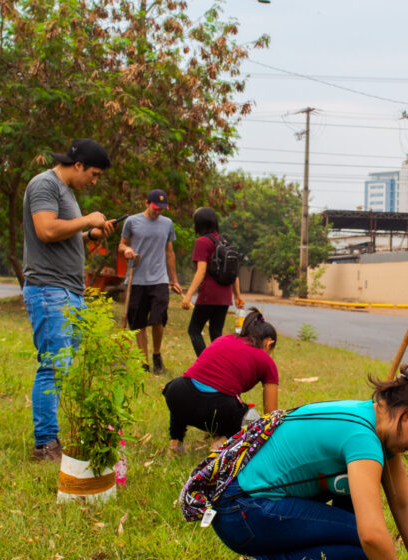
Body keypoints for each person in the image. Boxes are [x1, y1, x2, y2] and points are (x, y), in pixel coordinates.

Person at [209, 360, 408, 560]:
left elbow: (403, 504)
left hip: (240, 507)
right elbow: (372, 537)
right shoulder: (362, 439)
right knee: (364, 548)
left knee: (361, 531)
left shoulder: (373, 419)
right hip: (245, 511)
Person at [21, 138, 115, 462]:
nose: (94, 181)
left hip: (68, 290)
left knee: (62, 366)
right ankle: (45, 445)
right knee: (53, 365)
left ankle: (51, 440)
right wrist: (87, 220)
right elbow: (46, 230)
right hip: (49, 289)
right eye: (94, 174)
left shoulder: (66, 193)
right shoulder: (44, 185)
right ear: (78, 165)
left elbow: (63, 233)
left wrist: (90, 234)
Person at [162, 308, 279, 453]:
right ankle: (223, 442)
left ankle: (176, 441)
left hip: (177, 393)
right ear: (268, 343)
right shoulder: (266, 360)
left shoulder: (225, 339)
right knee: (251, 418)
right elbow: (271, 415)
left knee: (188, 391)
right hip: (216, 408)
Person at [118, 188, 181, 374]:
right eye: (155, 207)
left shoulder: (167, 224)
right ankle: (143, 362)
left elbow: (169, 252)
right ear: (146, 203)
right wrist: (126, 250)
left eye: (161, 208)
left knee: (157, 319)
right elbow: (122, 244)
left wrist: (174, 279)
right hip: (136, 278)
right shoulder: (132, 222)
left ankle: (156, 354)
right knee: (137, 323)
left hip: (159, 279)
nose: (158, 211)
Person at [181, 206, 244, 356]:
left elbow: (201, 271)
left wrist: (188, 295)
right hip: (225, 296)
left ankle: (205, 365)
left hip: (209, 294)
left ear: (199, 223)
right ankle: (219, 365)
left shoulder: (202, 242)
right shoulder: (224, 241)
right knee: (216, 334)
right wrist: (238, 296)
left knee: (194, 330)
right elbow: (233, 272)